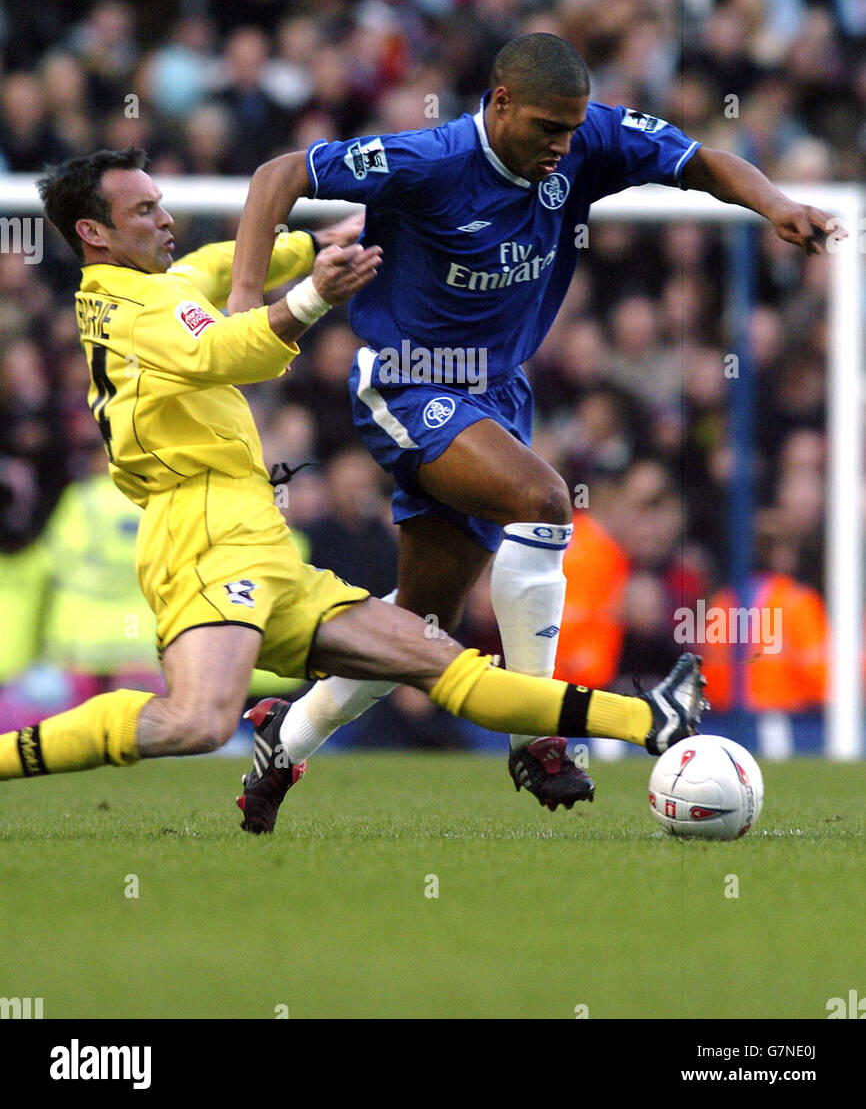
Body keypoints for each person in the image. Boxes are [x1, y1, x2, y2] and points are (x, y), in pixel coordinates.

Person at [0, 146, 709, 834]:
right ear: (93, 232)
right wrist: (312, 295)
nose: (165, 219)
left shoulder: (148, 291)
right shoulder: (139, 311)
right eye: (144, 210)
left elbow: (212, 266)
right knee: (196, 721)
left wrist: (315, 245)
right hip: (204, 536)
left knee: (438, 658)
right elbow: (224, 353)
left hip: (259, 541)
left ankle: (650, 718)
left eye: (160, 204)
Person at [228, 31, 838, 810]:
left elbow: (702, 162)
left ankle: (286, 736)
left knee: (420, 623)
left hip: (498, 394)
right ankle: (538, 739)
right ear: (502, 101)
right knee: (545, 501)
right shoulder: (430, 159)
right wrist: (247, 298)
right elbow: (280, 173)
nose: (562, 145)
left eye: (572, 129)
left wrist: (777, 204)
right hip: (409, 381)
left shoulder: (587, 139)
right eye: (548, 128)